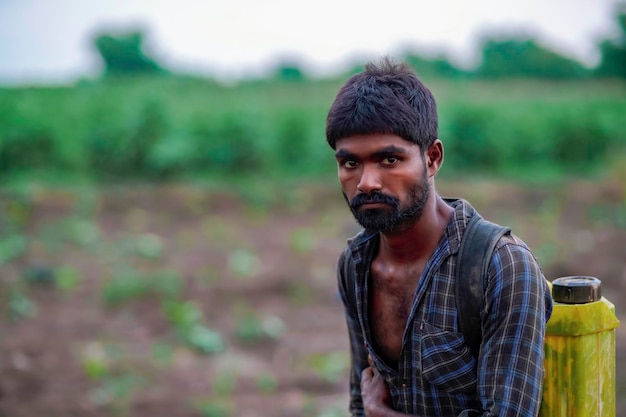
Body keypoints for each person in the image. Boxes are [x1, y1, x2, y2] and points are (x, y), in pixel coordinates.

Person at [325, 57, 553, 417]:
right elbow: (361, 400)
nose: (366, 182)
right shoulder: (356, 264)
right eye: (350, 163)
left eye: (389, 160)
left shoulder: (500, 267)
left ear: (432, 158)